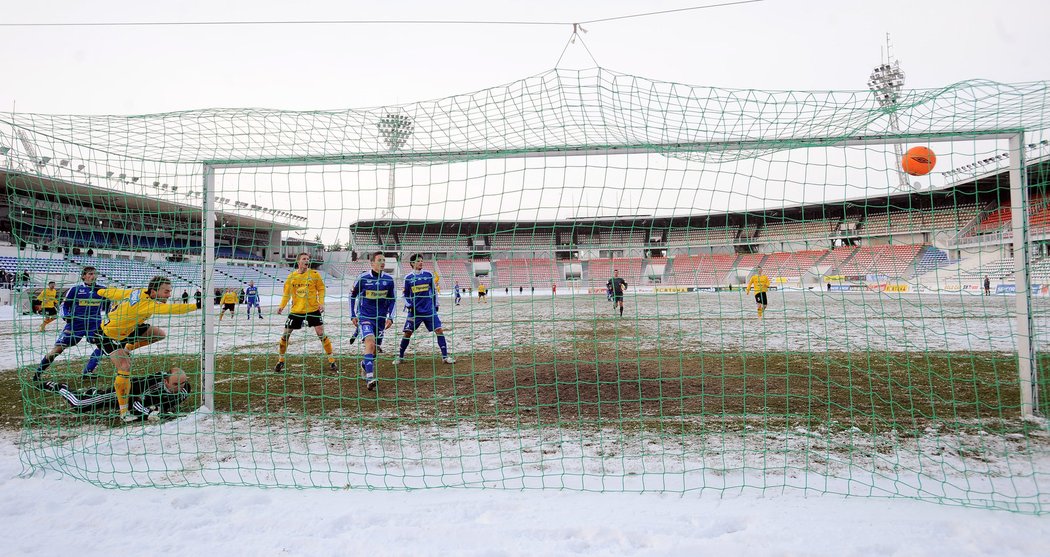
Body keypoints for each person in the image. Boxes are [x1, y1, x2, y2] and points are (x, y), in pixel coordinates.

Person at [91, 276, 199, 421]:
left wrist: (101, 292)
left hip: (129, 329)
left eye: (170, 291)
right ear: (154, 291)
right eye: (166, 292)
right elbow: (173, 309)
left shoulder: (139, 292)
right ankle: (124, 412)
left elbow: (117, 293)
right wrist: (198, 305)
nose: (169, 295)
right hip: (108, 335)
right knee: (124, 366)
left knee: (158, 334)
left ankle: (127, 349)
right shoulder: (147, 304)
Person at [33, 267, 108, 382]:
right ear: (83, 276)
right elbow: (64, 305)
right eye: (90, 274)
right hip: (75, 325)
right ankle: (38, 374)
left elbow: (109, 306)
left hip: (94, 325)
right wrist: (66, 316)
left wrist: (109, 316)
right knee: (57, 350)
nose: (93, 276)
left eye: (95, 274)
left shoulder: (102, 290)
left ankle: (88, 371)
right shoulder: (75, 289)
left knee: (103, 344)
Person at [40, 366, 191, 421]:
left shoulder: (185, 389)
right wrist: (150, 413)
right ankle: (60, 387)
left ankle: (93, 393)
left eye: (182, 383)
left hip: (135, 400)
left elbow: (168, 404)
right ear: (166, 382)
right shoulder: (152, 384)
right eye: (176, 384)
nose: (180, 387)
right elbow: (134, 403)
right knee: (80, 405)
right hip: (122, 394)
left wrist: (159, 410)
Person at [275, 252, 336, 373]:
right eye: (304, 259)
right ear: (299, 262)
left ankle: (331, 360)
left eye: (308, 259)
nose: (306, 261)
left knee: (321, 334)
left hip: (313, 309)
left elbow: (321, 289)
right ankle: (280, 360)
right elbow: (286, 294)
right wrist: (281, 306)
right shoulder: (291, 277)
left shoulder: (314, 274)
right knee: (285, 335)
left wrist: (321, 302)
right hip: (296, 311)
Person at [395, 254, 454, 367]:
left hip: (429, 310)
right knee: (407, 333)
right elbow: (405, 295)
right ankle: (400, 356)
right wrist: (408, 305)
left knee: (439, 330)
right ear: (412, 263)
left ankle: (445, 357)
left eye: (422, 261)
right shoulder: (408, 278)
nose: (421, 263)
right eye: (418, 261)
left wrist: (436, 303)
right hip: (415, 312)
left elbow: (434, 291)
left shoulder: (428, 275)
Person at [349, 251, 395, 391]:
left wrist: (390, 317)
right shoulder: (362, 278)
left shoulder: (389, 280)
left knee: (374, 351)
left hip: (380, 319)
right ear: (372, 263)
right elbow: (352, 296)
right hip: (365, 317)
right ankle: (370, 378)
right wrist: (352, 314)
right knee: (370, 343)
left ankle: (364, 364)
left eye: (384, 260)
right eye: (379, 260)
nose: (382, 262)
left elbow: (392, 300)